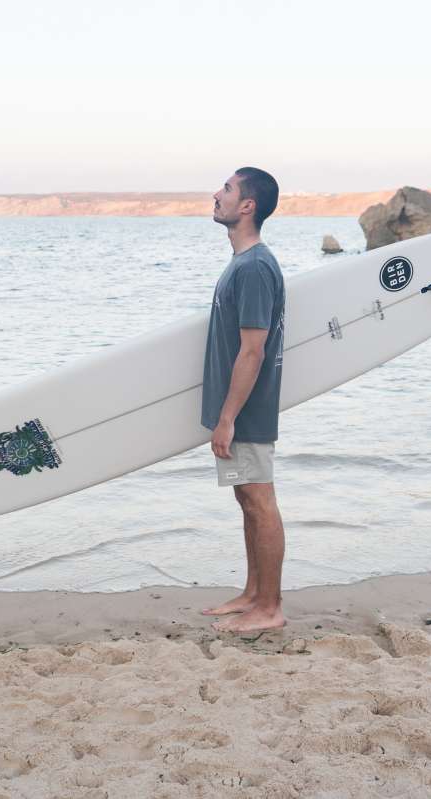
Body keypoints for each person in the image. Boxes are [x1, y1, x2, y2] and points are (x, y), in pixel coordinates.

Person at [198, 167, 287, 633]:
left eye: (227, 189)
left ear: (247, 206)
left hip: (246, 411)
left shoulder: (253, 268)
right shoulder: (244, 263)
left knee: (259, 500)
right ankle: (254, 593)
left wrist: (227, 418)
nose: (217, 194)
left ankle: (270, 608)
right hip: (238, 410)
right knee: (246, 499)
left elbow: (253, 350)